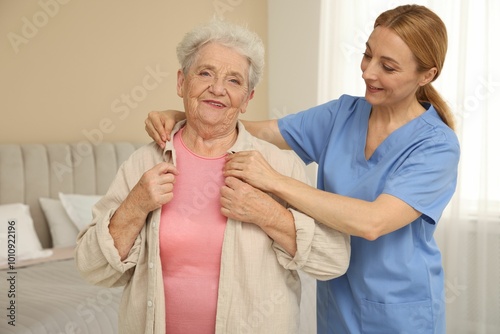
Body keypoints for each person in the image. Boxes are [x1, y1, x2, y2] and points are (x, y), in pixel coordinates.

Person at [145, 4, 460, 334]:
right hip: (338, 298)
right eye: (368, 55)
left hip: (400, 310)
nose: (368, 72)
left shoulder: (437, 146)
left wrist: (276, 182)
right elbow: (259, 131)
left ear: (427, 75)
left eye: (388, 67)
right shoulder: (343, 114)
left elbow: (372, 221)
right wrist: (188, 116)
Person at [75, 19, 350, 334]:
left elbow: (333, 261)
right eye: (205, 73)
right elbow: (91, 268)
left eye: (234, 80)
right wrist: (136, 205)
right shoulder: (143, 163)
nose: (217, 88)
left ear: (247, 98)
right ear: (182, 82)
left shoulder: (279, 167)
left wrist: (268, 213)